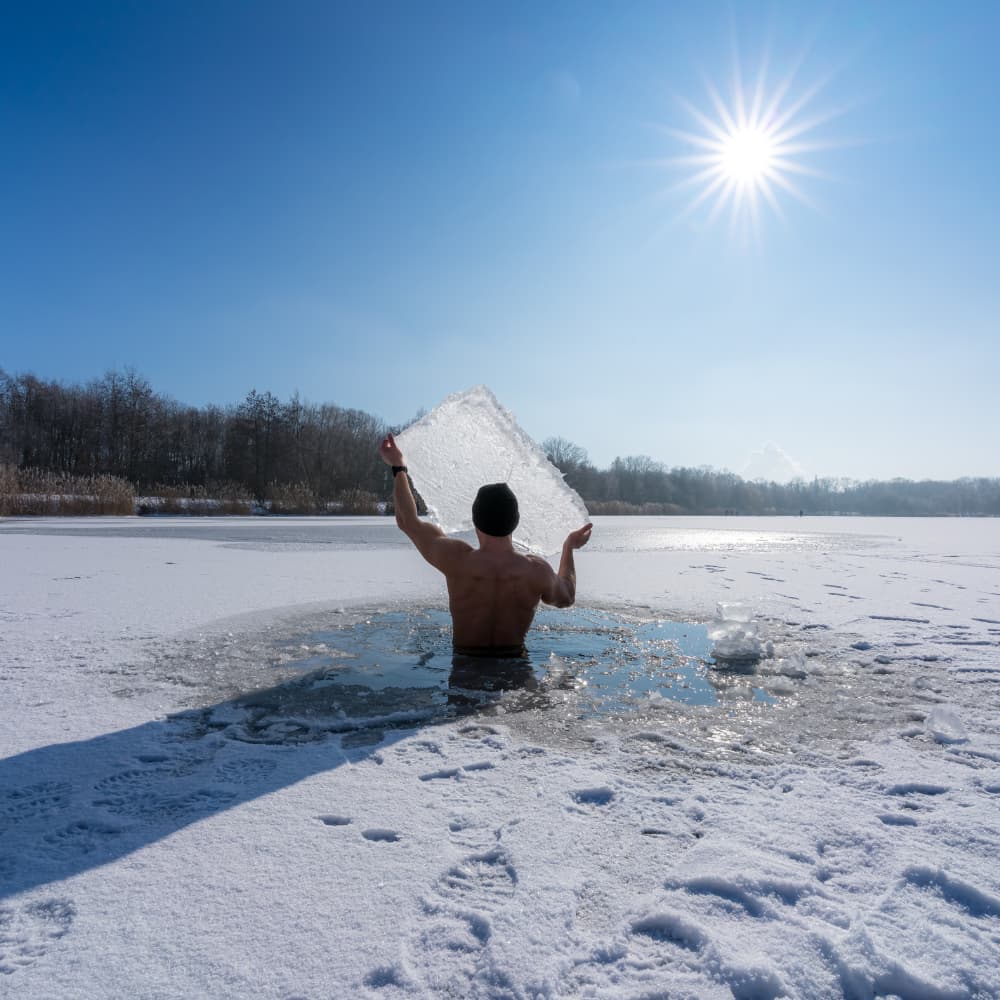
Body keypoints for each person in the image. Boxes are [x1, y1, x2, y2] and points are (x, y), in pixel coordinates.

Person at [378, 432, 592, 658]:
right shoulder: (536, 571)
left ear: (475, 520)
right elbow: (566, 596)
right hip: (515, 668)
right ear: (515, 521)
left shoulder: (457, 559)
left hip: (465, 668)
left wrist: (398, 467)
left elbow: (407, 522)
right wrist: (569, 547)